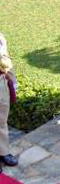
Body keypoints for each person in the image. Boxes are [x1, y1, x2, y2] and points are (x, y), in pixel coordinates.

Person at [0, 33, 18, 172]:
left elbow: (6, 61)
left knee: (2, 122)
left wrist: (13, 82)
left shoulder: (0, 38)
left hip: (2, 85)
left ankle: (3, 152)